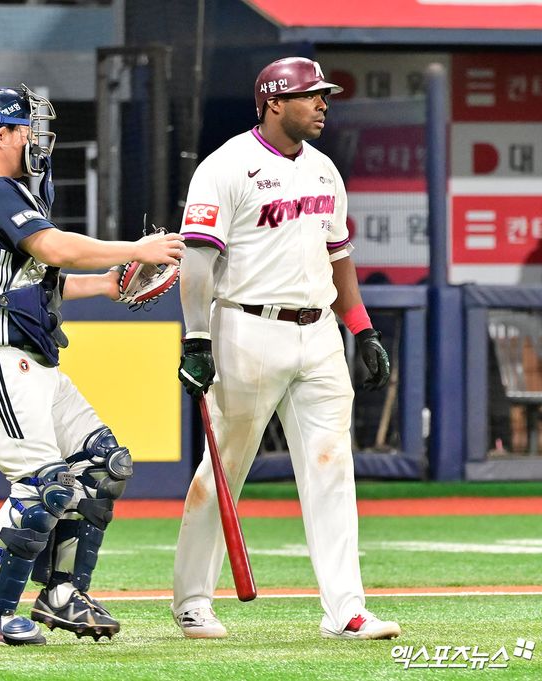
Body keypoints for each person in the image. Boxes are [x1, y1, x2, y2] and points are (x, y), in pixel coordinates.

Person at [0, 84, 184, 646]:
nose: (36, 140)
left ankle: (61, 595)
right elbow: (54, 249)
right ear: (0, 135)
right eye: (26, 129)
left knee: (103, 465)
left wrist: (103, 284)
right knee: (43, 486)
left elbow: (29, 284)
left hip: (29, 358)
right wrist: (136, 249)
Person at [173, 57, 400, 640]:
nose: (323, 104)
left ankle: (345, 609)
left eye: (325, 95)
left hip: (318, 332)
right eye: (311, 95)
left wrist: (362, 328)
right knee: (225, 467)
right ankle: (193, 600)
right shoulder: (226, 166)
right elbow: (197, 262)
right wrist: (196, 338)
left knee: (332, 467)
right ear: (274, 101)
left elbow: (338, 256)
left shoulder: (324, 169)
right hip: (246, 327)